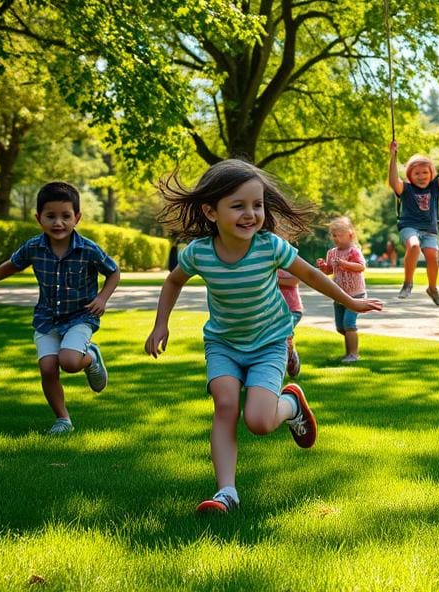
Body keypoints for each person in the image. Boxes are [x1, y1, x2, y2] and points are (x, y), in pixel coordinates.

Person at [144, 160, 382, 513]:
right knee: (225, 406)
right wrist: (160, 323)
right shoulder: (199, 253)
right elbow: (173, 281)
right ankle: (226, 492)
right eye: (238, 206)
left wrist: (351, 302)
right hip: (223, 343)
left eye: (257, 205)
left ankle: (290, 404)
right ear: (210, 211)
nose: (250, 214)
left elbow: (312, 276)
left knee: (258, 422)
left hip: (270, 342)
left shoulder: (270, 246)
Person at [0, 182, 119, 434]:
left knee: (68, 362)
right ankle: (63, 420)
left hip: (80, 316)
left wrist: (102, 298)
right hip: (46, 317)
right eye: (51, 216)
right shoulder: (34, 247)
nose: (58, 223)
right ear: (38, 218)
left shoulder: (88, 249)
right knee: (47, 367)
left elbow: (113, 272)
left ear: (77, 217)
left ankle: (90, 357)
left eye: (66, 216)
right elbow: (11, 265)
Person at [388, 133, 439, 306]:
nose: (421, 176)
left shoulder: (435, 187)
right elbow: (393, 180)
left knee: (433, 257)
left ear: (431, 173)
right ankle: (407, 283)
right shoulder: (406, 188)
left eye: (425, 172)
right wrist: (393, 156)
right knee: (414, 245)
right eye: (416, 173)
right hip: (409, 226)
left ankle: (432, 288)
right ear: (410, 175)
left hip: (430, 229)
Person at [317, 216, 368, 362]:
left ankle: (353, 354)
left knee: (349, 324)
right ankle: (348, 353)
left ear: (350, 235)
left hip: (356, 295)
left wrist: (345, 263)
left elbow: (361, 267)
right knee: (341, 327)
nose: (335, 239)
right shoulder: (332, 253)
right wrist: (323, 267)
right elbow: (329, 270)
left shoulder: (354, 251)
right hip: (339, 295)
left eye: (339, 235)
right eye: (333, 236)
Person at [277, 269, 302, 377]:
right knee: (279, 339)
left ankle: (291, 356)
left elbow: (295, 280)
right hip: (276, 312)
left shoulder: (289, 264)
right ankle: (290, 354)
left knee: (283, 336)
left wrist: (275, 280)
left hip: (293, 310)